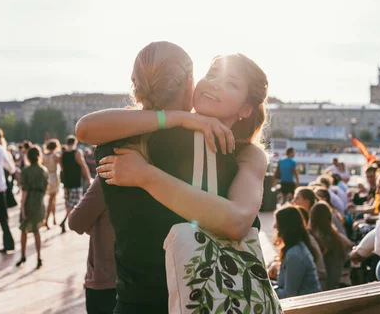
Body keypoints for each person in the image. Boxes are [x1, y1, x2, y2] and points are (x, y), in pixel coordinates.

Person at [77, 43, 269, 313]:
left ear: (247, 108)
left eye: (231, 83)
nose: (213, 84)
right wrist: (180, 118)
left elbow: (237, 222)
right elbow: (84, 128)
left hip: (191, 301)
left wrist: (146, 175)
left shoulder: (246, 155)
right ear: (191, 82)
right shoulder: (162, 133)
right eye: (211, 75)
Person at [68, 176, 117, 314]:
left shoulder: (110, 171)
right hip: (147, 278)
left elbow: (76, 221)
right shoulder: (159, 167)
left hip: (107, 278)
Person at [272, 206, 321, 298]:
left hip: (307, 306)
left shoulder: (294, 255)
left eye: (277, 222)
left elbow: (288, 294)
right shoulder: (297, 247)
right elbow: (282, 285)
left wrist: (266, 288)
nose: (274, 226)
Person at [16, 146, 48, 269]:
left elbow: (24, 191)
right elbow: (45, 188)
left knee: (24, 230)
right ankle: (39, 256)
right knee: (36, 230)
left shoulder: (26, 171)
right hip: (39, 202)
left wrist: (22, 207)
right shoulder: (43, 170)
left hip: (29, 200)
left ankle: (23, 255)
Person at [309, 202, 352, 290]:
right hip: (335, 278)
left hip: (324, 283)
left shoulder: (315, 235)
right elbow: (349, 244)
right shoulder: (333, 235)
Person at [59, 136, 93, 233]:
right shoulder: (77, 153)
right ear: (75, 142)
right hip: (76, 183)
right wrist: (88, 178)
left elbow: (61, 168)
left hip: (66, 183)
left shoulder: (62, 154)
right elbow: (83, 166)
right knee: (74, 204)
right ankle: (66, 221)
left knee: (68, 204)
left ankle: (70, 222)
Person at [42, 139, 62, 229]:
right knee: (51, 200)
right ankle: (46, 220)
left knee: (53, 200)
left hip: (45, 178)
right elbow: (61, 168)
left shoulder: (43, 156)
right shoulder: (55, 156)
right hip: (53, 178)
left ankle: (54, 218)